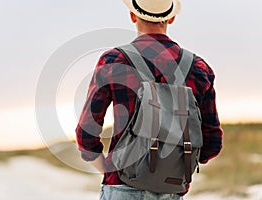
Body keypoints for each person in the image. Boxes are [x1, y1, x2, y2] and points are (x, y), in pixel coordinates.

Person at [76, 0, 223, 199]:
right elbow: (212, 142)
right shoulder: (199, 68)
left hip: (122, 185)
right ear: (171, 18)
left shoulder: (114, 60)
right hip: (172, 190)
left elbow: (86, 133)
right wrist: (175, 165)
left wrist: (109, 167)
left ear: (133, 16)